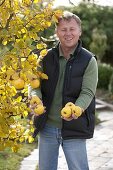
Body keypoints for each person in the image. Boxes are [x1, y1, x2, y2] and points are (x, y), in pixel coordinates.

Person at [29, 11, 98, 170]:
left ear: (79, 32)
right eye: (63, 29)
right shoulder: (44, 56)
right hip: (47, 127)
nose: (68, 33)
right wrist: (35, 97)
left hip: (75, 127)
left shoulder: (89, 60)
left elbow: (87, 92)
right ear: (56, 32)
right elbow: (35, 84)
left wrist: (77, 109)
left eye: (72, 29)